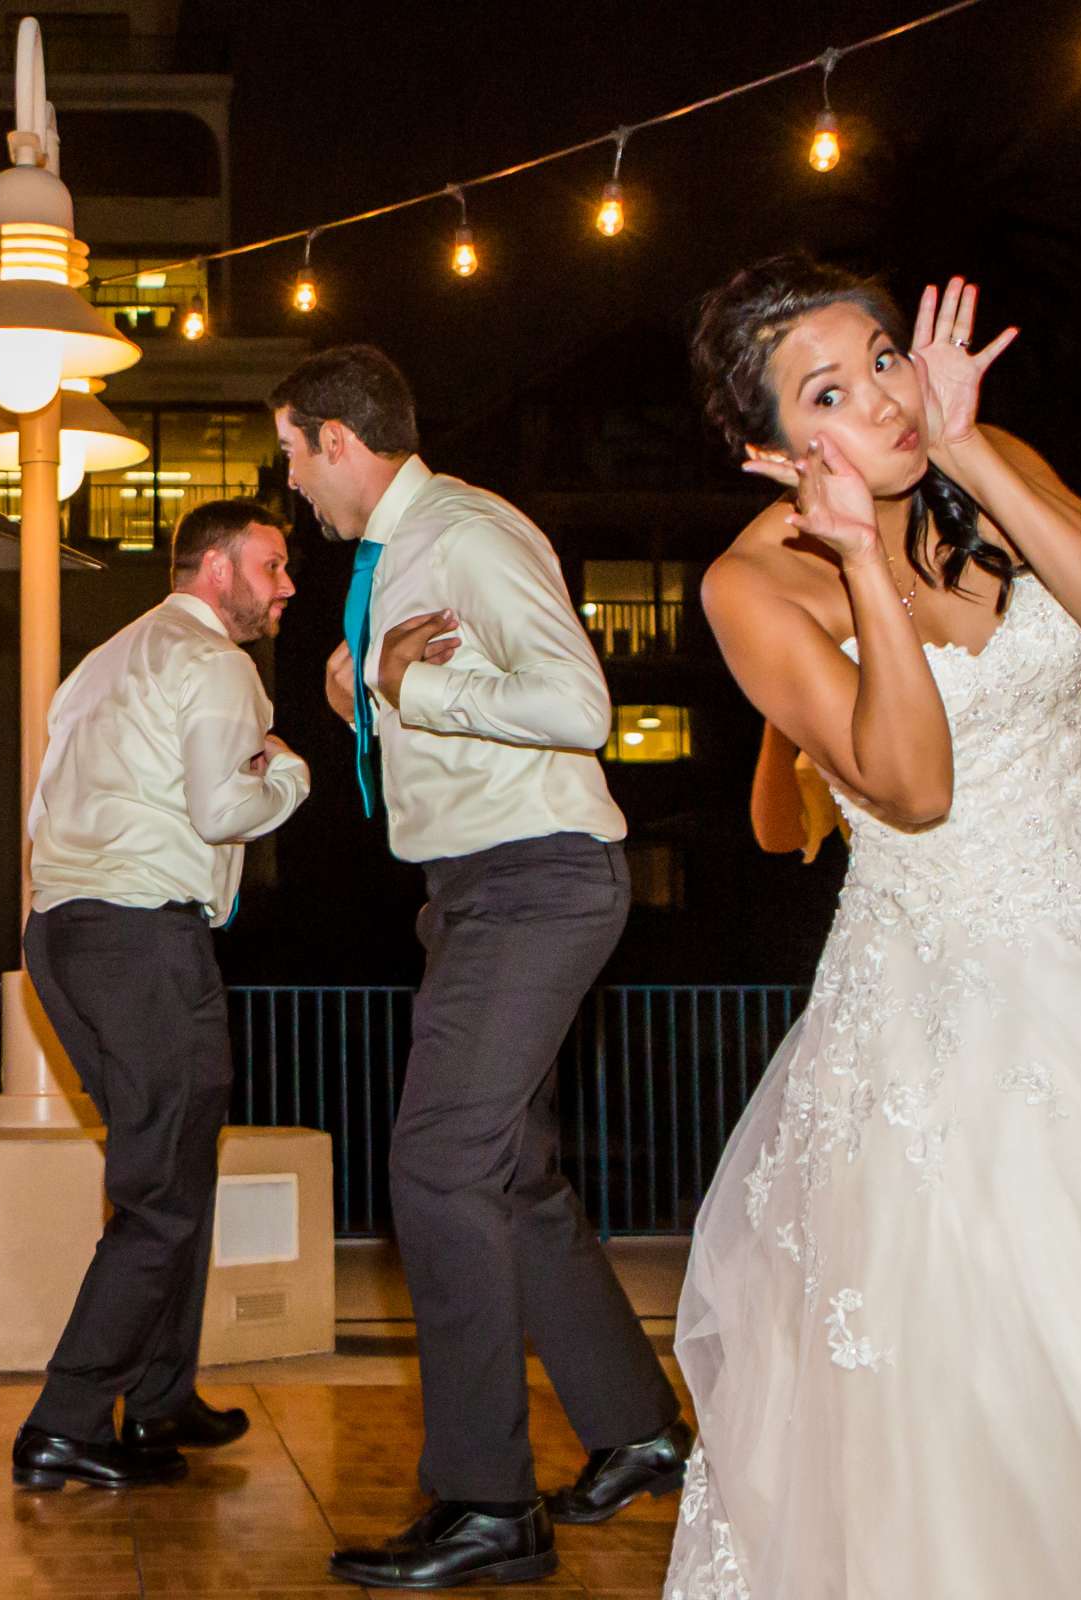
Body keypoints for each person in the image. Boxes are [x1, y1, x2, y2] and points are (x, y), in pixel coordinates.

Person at [667, 256, 1081, 1597]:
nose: (883, 395)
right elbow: (915, 789)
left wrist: (971, 447)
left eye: (886, 357)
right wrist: (868, 565)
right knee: (1007, 1352)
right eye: (833, 389)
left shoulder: (982, 463)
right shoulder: (752, 588)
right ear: (770, 449)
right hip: (959, 1003)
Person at [270, 346, 688, 1589]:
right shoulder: (395, 557)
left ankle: (486, 1502)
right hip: (474, 887)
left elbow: (577, 705)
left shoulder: (466, 529)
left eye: (292, 455)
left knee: (438, 1162)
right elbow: (440, 710)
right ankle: (640, 1428)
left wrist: (420, 682)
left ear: (338, 439)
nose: (292, 486)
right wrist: (369, 700)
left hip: (536, 878)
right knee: (509, 1177)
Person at [11, 499, 312, 1492]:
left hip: (63, 935)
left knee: (174, 1171)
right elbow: (224, 804)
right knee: (160, 1196)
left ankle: (159, 1396)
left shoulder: (103, 660)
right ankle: (63, 1420)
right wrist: (292, 773)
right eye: (271, 565)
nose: (285, 587)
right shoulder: (218, 663)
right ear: (218, 569)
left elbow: (44, 802)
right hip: (143, 936)